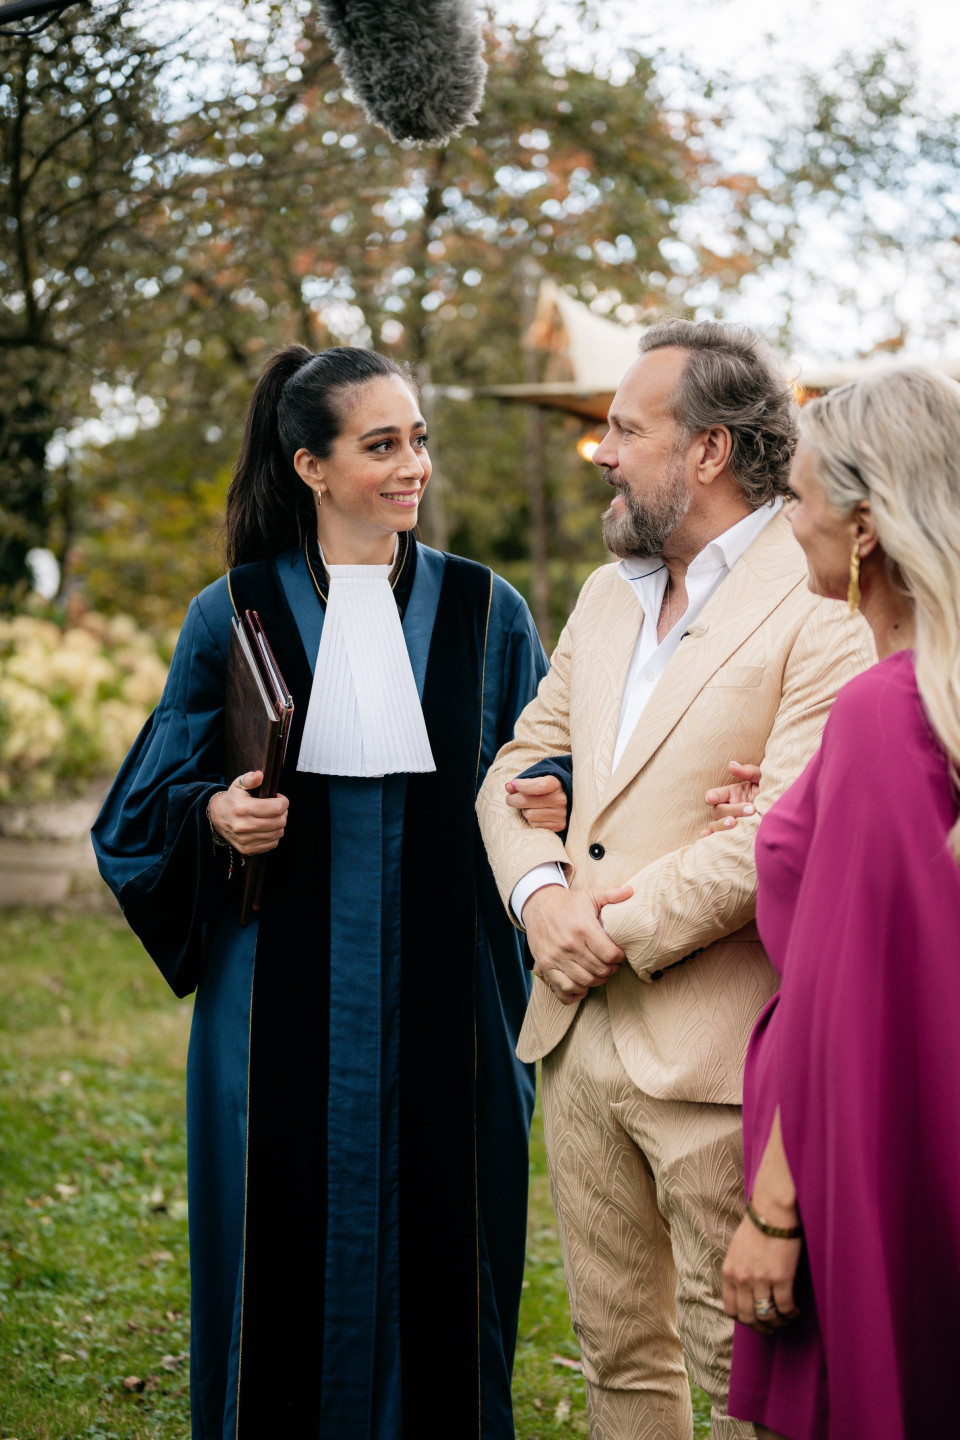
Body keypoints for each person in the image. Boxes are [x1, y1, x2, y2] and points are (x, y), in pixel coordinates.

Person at [92, 345, 549, 1440]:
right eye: (381, 445)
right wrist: (214, 811)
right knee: (275, 1253)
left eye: (419, 439)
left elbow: (551, 764)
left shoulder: (491, 613)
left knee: (456, 1254)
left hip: (452, 1003)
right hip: (272, 1008)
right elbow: (145, 804)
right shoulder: (230, 613)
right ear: (310, 465)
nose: (413, 467)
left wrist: (557, 798)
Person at [476, 318, 874, 1440]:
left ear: (706, 451)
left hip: (718, 1049)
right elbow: (513, 766)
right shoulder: (608, 596)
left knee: (746, 1367)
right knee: (617, 1360)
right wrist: (539, 901)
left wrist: (610, 925)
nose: (602, 450)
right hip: (576, 1039)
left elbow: (788, 823)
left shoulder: (824, 598)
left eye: (624, 428)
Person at [703, 366, 960, 1440]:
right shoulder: (928, 707)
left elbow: (838, 1000)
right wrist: (796, 814)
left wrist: (774, 1214)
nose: (788, 522)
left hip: (861, 1154)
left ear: (863, 525)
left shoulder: (880, 714)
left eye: (800, 497)